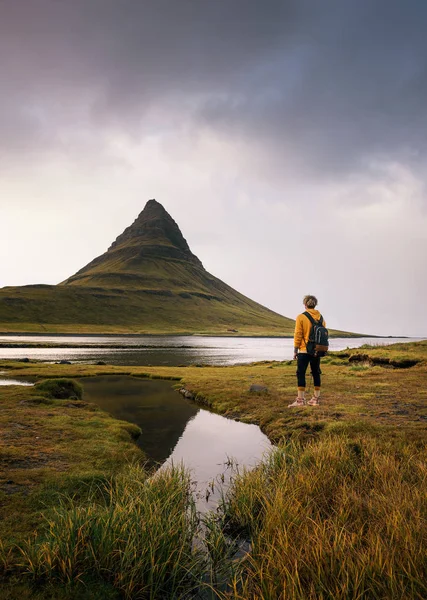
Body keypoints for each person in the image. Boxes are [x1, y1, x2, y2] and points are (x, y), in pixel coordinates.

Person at [288, 295, 325, 407]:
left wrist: (295, 349)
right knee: (316, 373)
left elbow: (298, 334)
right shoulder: (321, 318)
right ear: (315, 304)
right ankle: (316, 399)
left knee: (301, 373)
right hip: (317, 350)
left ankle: (300, 400)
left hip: (304, 350)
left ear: (305, 304)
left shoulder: (301, 317)